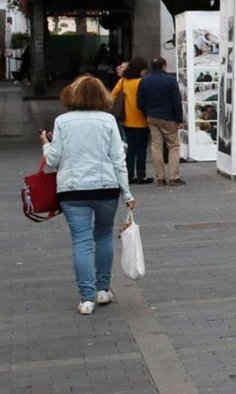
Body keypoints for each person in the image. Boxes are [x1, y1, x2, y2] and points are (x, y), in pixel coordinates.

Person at [40, 75, 136, 315]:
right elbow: (118, 159)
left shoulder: (62, 121)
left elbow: (52, 160)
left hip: (72, 190)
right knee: (103, 236)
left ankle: (86, 298)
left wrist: (46, 144)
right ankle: (103, 289)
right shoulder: (108, 120)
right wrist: (127, 194)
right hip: (106, 188)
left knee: (81, 241)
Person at [137, 56, 185, 185]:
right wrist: (179, 119)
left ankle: (160, 177)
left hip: (152, 116)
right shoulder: (170, 80)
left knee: (156, 146)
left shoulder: (144, 80)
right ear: (164, 66)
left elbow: (140, 102)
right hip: (168, 117)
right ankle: (174, 176)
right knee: (173, 146)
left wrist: (147, 112)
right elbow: (176, 101)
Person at [113, 57, 153, 184]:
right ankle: (141, 175)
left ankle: (129, 175)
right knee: (142, 149)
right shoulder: (143, 82)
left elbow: (113, 96)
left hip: (127, 120)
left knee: (131, 149)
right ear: (141, 70)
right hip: (142, 120)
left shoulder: (123, 81)